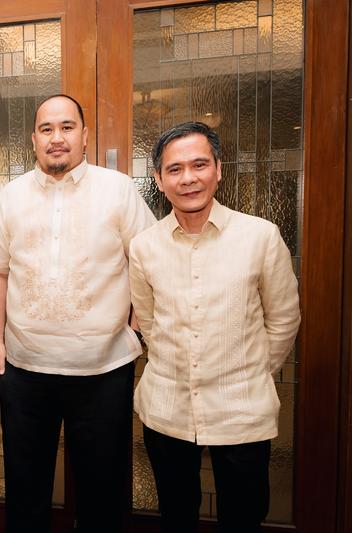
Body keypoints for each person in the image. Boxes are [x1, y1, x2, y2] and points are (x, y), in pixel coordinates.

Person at [0, 94, 156, 532]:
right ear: (34, 139)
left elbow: (150, 260)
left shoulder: (118, 189)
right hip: (25, 369)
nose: (56, 138)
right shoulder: (11, 196)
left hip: (103, 370)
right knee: (26, 491)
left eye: (66, 127)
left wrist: (137, 327)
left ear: (84, 135)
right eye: (46, 129)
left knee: (103, 493)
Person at [129, 121, 300, 532]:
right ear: (159, 180)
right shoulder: (144, 246)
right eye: (175, 169)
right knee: (176, 516)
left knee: (243, 517)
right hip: (167, 409)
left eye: (199, 165)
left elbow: (283, 319)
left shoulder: (260, 237)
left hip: (241, 411)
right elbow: (148, 321)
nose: (188, 178)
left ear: (218, 170)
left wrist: (248, 371)